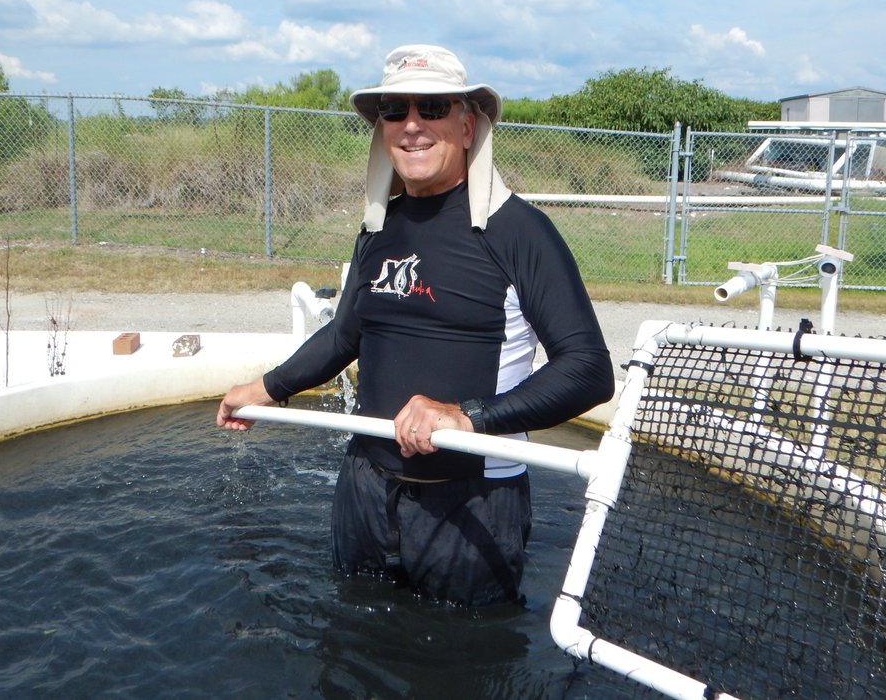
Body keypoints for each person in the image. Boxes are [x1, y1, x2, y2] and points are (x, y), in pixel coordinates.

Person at [217, 44, 614, 606]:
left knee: (463, 665)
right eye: (393, 110)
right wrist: (264, 389)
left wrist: (466, 416)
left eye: (431, 108)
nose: (411, 126)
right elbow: (345, 335)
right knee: (352, 647)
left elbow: (589, 371)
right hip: (364, 491)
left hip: (473, 506)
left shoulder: (519, 233)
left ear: (468, 124)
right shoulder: (379, 229)